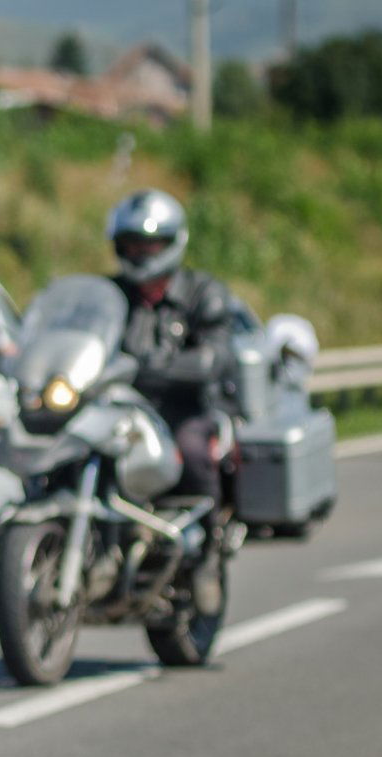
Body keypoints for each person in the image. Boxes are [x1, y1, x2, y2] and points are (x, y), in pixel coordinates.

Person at [106, 189, 234, 560]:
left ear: (172, 243)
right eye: (131, 244)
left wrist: (158, 367)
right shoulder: (111, 294)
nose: (140, 253)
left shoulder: (202, 293)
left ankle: (208, 550)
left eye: (150, 244)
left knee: (193, 451)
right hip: (120, 408)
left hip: (182, 408)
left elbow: (214, 355)